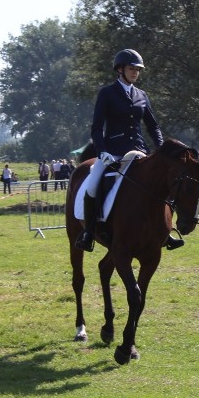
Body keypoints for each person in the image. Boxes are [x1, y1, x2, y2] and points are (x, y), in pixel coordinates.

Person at [75, 48, 170, 252]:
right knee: (92, 186)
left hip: (138, 152)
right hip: (113, 152)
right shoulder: (107, 93)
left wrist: (161, 150)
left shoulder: (141, 95)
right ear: (120, 69)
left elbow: (153, 126)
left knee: (163, 182)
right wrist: (101, 151)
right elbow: (97, 127)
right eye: (131, 68)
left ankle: (165, 230)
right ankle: (89, 233)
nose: (135, 72)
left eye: (138, 69)